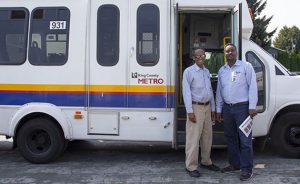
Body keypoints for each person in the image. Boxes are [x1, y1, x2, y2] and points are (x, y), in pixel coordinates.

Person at [216, 43, 258, 181]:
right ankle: (235, 164)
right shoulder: (222, 70)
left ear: (236, 52)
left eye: (232, 51)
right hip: (228, 109)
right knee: (230, 138)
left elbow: (253, 86)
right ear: (224, 53)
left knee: (245, 140)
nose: (229, 53)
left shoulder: (246, 66)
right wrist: (218, 109)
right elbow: (219, 92)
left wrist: (252, 106)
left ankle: (247, 169)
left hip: (243, 109)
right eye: (227, 51)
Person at [182, 47, 220, 178]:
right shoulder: (188, 72)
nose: (200, 58)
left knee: (207, 137)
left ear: (205, 56)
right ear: (194, 57)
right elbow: (186, 93)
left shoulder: (206, 71)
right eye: (197, 56)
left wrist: (213, 109)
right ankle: (191, 166)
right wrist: (190, 111)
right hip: (196, 108)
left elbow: (210, 91)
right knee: (193, 138)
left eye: (202, 55)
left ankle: (206, 161)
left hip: (207, 107)